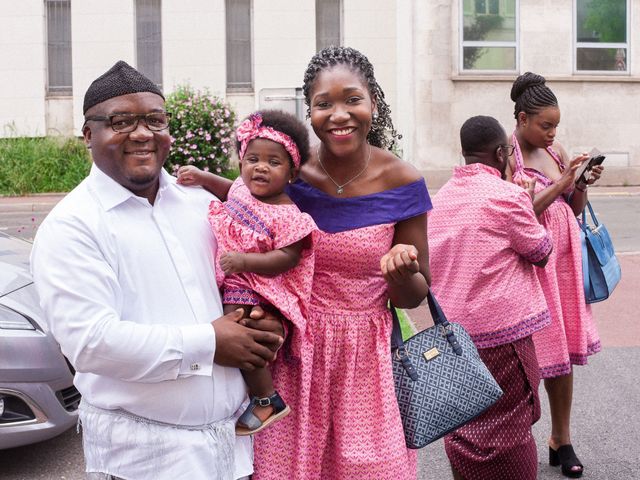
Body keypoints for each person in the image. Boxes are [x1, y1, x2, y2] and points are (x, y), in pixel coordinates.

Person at [178, 46, 431, 479]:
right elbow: (235, 203)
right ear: (309, 111)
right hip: (292, 353)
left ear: (373, 101)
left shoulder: (402, 181)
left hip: (364, 361)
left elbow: (413, 297)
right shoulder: (287, 173)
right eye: (323, 103)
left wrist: (401, 272)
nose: (339, 114)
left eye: (352, 99)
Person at [30, 60, 284, 480]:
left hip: (232, 452)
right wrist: (208, 342)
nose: (142, 132)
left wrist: (262, 325)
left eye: (154, 119)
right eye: (121, 121)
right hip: (143, 463)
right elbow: (90, 342)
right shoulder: (73, 225)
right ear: (89, 136)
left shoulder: (202, 205)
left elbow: (239, 286)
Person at [428, 115, 553, 480]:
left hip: (455, 336)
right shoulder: (509, 194)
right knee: (511, 426)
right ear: (501, 153)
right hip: (503, 334)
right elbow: (541, 251)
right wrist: (527, 204)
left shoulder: (442, 197)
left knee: (465, 422)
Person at [178, 110, 316, 436]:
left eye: (273, 162)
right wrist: (202, 177)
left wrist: (245, 262)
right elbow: (227, 190)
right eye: (252, 159)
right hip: (238, 277)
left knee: (239, 334)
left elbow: (287, 257)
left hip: (259, 286)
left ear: (292, 173)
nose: (261, 167)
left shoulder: (288, 215)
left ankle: (266, 399)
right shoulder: (243, 189)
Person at [508, 72, 604, 478]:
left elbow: (575, 209)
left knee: (561, 356)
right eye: (545, 125)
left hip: (563, 260)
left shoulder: (558, 150)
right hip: (530, 262)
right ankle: (513, 440)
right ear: (523, 118)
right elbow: (518, 213)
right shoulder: (506, 156)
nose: (552, 133)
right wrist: (564, 181)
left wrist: (580, 184)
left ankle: (560, 439)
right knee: (525, 353)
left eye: (555, 126)